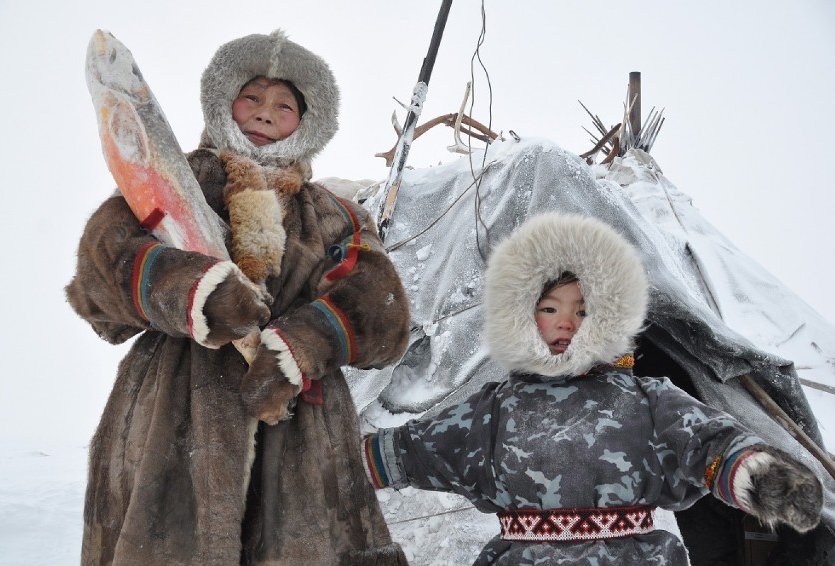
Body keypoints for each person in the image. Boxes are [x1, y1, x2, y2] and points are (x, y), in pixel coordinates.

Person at [68, 31, 411, 565]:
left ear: (310, 121)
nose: (266, 112)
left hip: (301, 428)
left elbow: (380, 306)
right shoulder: (169, 180)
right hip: (170, 415)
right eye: (252, 96)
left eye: (285, 104)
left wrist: (301, 345)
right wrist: (195, 290)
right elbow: (100, 274)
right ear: (225, 101)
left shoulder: (335, 215)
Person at [359, 212, 823, 565]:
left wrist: (759, 474)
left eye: (583, 310)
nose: (566, 321)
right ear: (521, 311)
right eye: (549, 307)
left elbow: (708, 441)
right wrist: (338, 459)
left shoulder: (644, 400)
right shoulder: (494, 411)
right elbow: (415, 449)